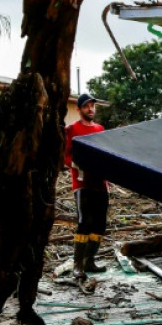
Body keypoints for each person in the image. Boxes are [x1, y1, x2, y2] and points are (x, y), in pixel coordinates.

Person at [65, 93, 108, 281]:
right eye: (86, 106)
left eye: (92, 106)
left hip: (101, 183)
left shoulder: (100, 129)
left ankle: (90, 261)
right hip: (82, 183)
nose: (91, 109)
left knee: (99, 224)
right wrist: (76, 164)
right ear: (79, 109)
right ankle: (78, 265)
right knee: (84, 222)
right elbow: (65, 155)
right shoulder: (72, 129)